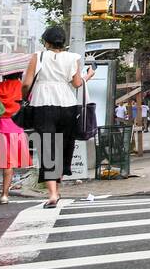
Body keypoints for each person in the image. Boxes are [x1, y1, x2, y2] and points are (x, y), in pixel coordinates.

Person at [23, 25, 96, 208]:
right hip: (67, 104)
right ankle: (57, 185)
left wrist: (24, 97)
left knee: (47, 147)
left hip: (43, 104)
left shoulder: (37, 57)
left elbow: (26, 83)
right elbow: (77, 83)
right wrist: (88, 77)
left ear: (46, 41)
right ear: (63, 42)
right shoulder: (73, 58)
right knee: (64, 146)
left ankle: (53, 194)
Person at [0, 73, 32, 204]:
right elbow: (29, 103)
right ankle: (4, 195)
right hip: (15, 127)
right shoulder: (23, 87)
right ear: (19, 75)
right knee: (9, 163)